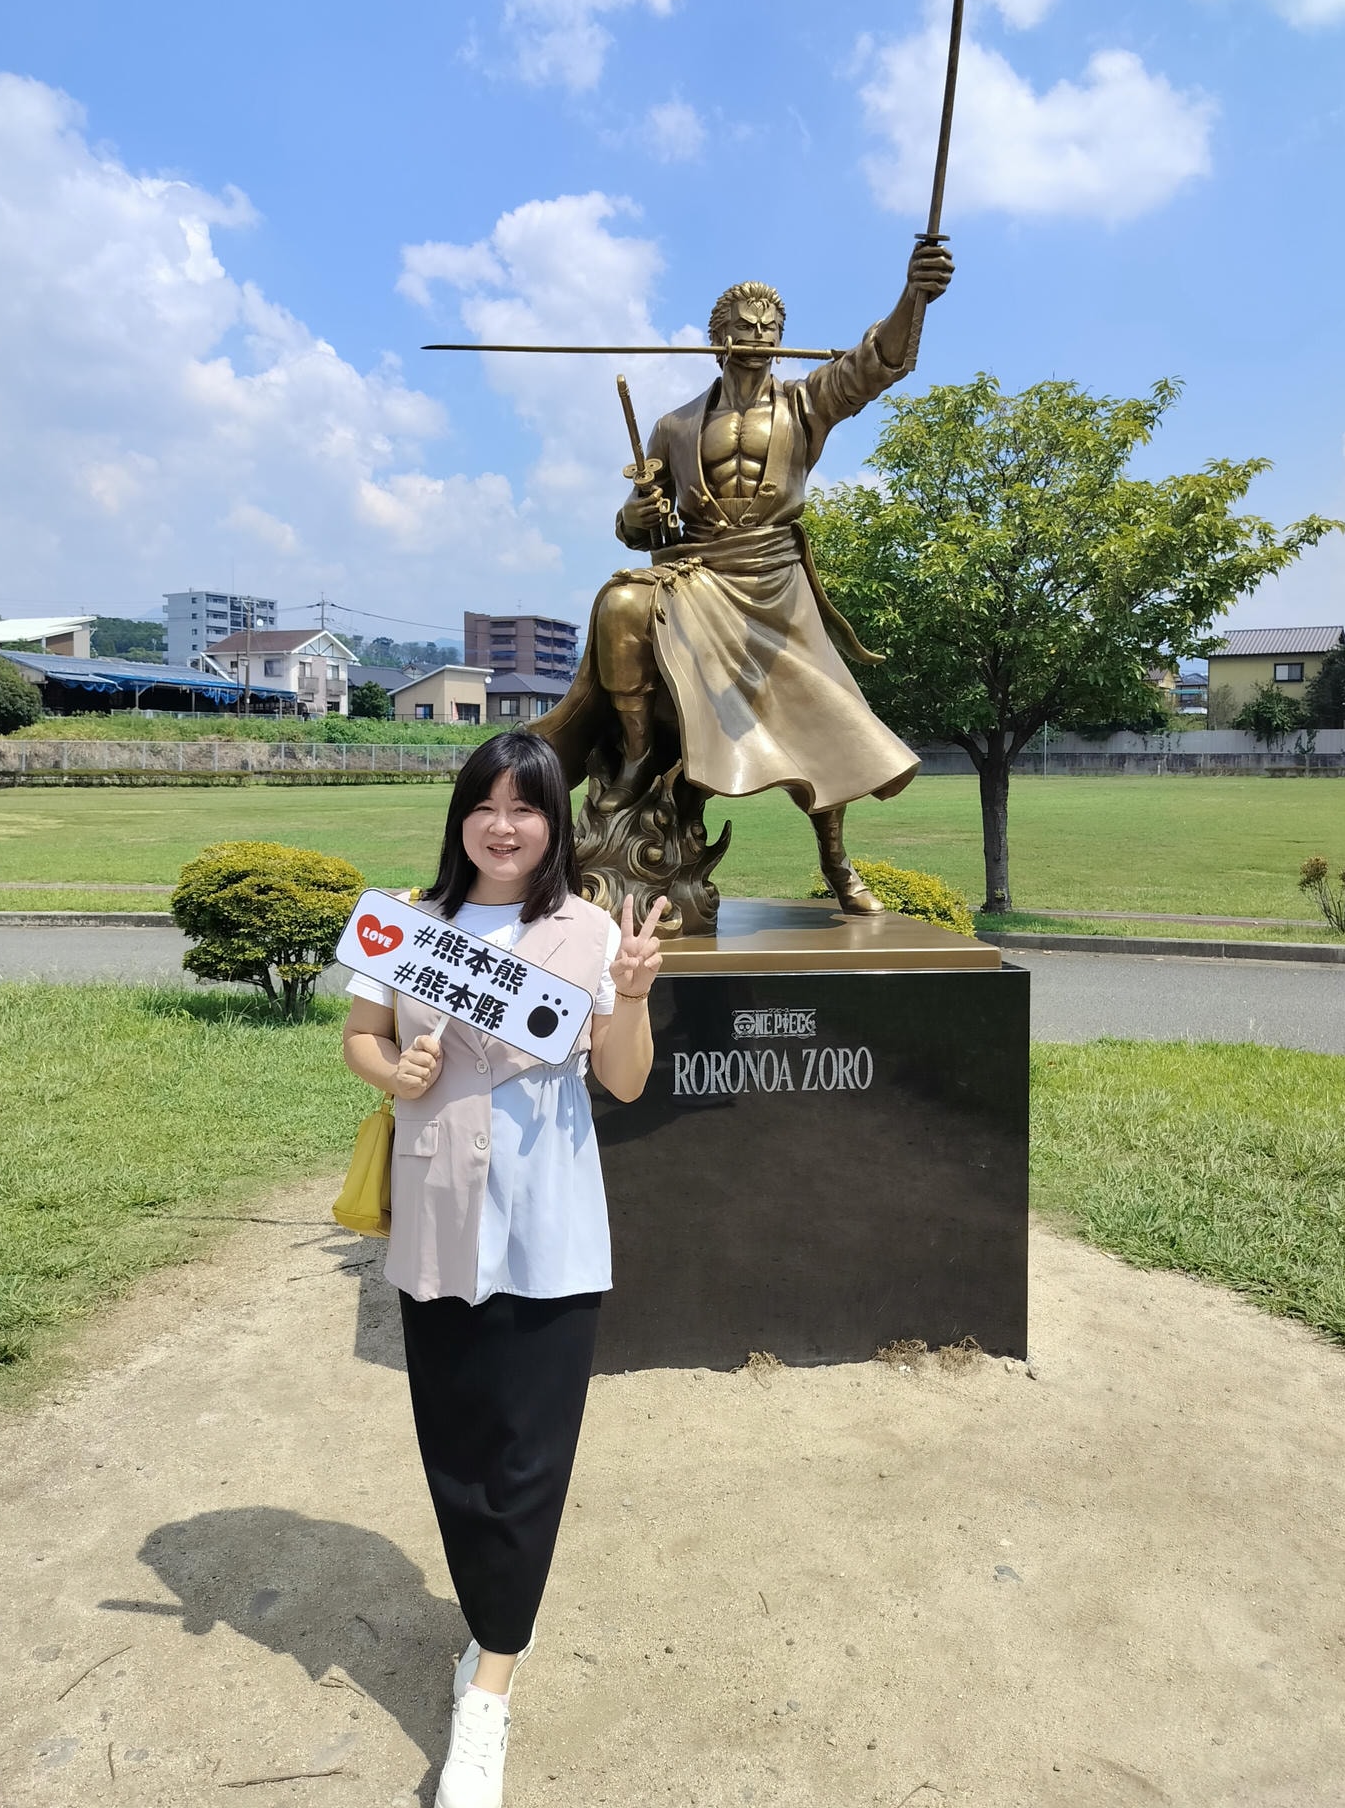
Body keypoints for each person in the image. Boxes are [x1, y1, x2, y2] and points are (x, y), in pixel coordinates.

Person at [341, 730, 665, 1808]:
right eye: (484, 802)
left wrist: (635, 990)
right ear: (461, 815)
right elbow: (362, 1037)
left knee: (528, 1457)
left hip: (550, 1227)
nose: (503, 822)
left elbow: (621, 1080)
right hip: (438, 1219)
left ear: (552, 821)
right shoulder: (406, 922)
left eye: (524, 805)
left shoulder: (585, 932)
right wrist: (400, 1067)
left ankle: (490, 1681)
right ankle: (488, 1625)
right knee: (457, 1445)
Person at [533, 242, 954, 915]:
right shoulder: (673, 426)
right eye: (741, 328)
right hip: (696, 574)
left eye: (768, 331)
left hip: (772, 581)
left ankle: (838, 862)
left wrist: (915, 296)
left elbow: (877, 363)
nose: (755, 340)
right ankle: (640, 755)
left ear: (782, 342)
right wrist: (637, 512)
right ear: (715, 339)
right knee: (617, 601)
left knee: (827, 722)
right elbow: (641, 528)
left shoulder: (805, 405)